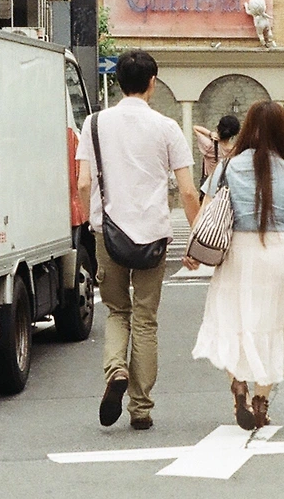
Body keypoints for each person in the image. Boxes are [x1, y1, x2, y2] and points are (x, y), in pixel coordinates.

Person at [76, 50, 199, 431]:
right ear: (152, 83)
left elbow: (83, 182)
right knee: (145, 319)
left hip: (108, 232)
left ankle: (116, 370)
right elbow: (188, 191)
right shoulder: (167, 127)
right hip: (153, 237)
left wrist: (92, 221)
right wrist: (197, 239)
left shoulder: (94, 124)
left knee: (117, 311)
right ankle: (141, 409)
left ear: (117, 82)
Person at [186, 101, 284, 431]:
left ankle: (238, 386)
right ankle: (261, 401)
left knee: (232, 322)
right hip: (279, 255)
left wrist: (193, 249)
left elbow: (206, 211)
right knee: (275, 327)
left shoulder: (227, 167)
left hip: (236, 253)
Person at [193, 115, 240, 187]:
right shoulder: (236, 150)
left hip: (210, 186)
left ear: (218, 128)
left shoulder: (210, 146)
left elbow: (195, 128)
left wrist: (210, 133)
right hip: (227, 186)